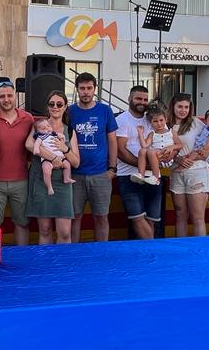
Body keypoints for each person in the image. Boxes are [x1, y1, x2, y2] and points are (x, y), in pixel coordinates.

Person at [26, 90, 80, 244]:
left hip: (63, 183)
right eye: (51, 104)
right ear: (47, 107)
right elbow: (29, 144)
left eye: (59, 104)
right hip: (42, 181)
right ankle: (47, 265)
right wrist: (54, 157)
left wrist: (65, 149)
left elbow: (76, 162)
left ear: (65, 107)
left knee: (64, 232)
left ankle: (63, 265)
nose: (55, 107)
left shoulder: (69, 130)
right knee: (44, 229)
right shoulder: (40, 126)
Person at [68, 72, 117, 243]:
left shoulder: (105, 110)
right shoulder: (70, 111)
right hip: (75, 174)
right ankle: (74, 252)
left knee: (101, 217)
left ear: (95, 89)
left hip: (100, 174)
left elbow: (112, 139)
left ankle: (101, 252)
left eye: (89, 88)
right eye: (82, 88)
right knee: (74, 217)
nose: (86, 92)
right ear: (77, 90)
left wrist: (112, 168)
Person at [116, 85, 168, 239]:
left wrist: (170, 153)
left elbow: (168, 138)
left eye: (145, 99)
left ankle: (148, 255)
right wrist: (143, 165)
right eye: (138, 98)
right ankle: (152, 251)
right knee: (137, 218)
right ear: (129, 99)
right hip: (128, 175)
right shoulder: (121, 120)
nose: (142, 102)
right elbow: (121, 151)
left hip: (153, 175)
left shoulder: (153, 118)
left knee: (151, 219)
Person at [0, 80, 34, 245]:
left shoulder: (28, 118)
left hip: (21, 181)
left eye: (9, 95)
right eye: (2, 96)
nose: (6, 99)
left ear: (15, 96)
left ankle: (22, 258)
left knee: (22, 223)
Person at [168, 97, 209, 238]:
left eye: (186, 107)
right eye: (180, 106)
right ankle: (182, 250)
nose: (183, 110)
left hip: (197, 171)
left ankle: (200, 252)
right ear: (173, 106)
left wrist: (196, 157)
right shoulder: (165, 124)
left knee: (198, 217)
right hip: (176, 172)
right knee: (180, 215)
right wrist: (177, 158)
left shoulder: (196, 123)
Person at [131, 106, 181, 186]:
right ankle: (141, 174)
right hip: (156, 158)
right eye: (155, 121)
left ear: (166, 119)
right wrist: (140, 133)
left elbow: (180, 145)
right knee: (142, 151)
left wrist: (171, 147)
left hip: (166, 157)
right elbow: (145, 145)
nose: (159, 123)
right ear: (151, 122)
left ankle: (156, 177)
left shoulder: (171, 132)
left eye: (161, 120)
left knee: (151, 151)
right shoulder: (152, 133)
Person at [32, 118, 74, 195]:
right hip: (47, 158)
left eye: (48, 126)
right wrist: (36, 149)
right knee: (46, 170)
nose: (47, 129)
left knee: (67, 165)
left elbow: (62, 137)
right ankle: (49, 187)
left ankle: (66, 178)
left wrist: (63, 138)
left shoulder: (53, 134)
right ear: (38, 132)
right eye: (43, 128)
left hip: (60, 156)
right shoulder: (41, 137)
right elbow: (37, 143)